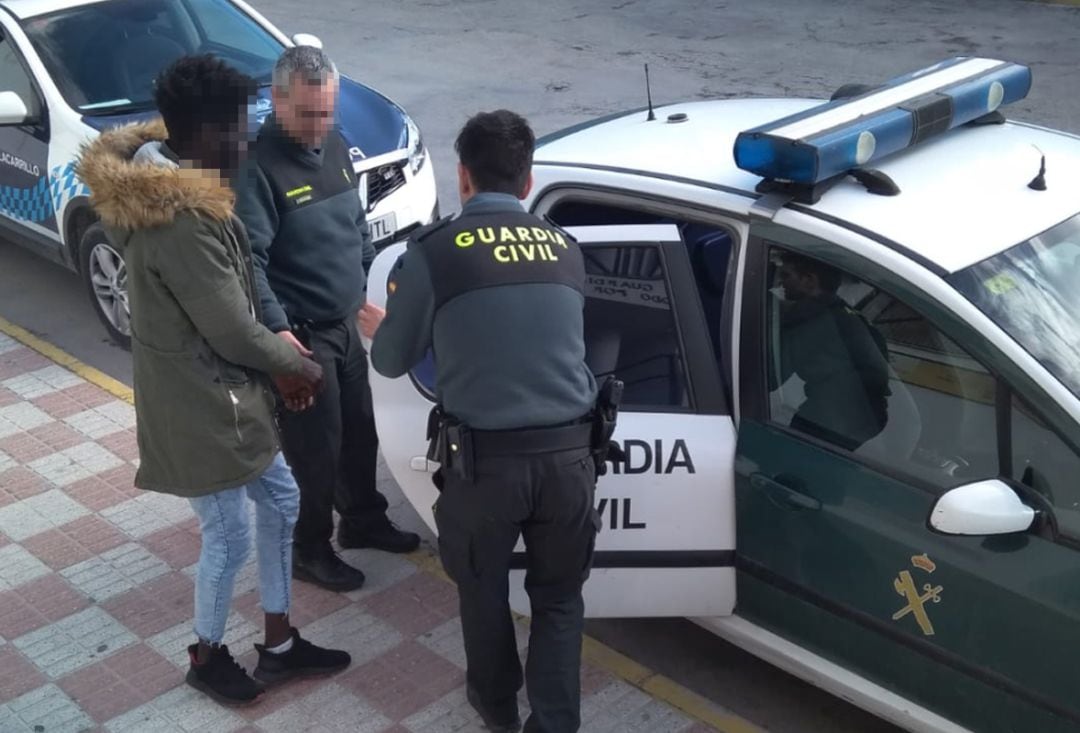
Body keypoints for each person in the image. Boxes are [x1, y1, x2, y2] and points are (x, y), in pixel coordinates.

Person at [75, 54, 351, 707]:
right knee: (226, 533)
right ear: (199, 134)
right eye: (233, 130)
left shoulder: (180, 186)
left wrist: (280, 347)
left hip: (225, 393)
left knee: (281, 502)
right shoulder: (179, 217)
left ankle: (280, 645)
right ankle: (206, 653)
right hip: (204, 404)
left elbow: (242, 284)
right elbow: (229, 327)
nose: (243, 143)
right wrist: (302, 367)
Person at [360, 110, 612, 733]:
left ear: (462, 176)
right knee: (558, 599)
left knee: (483, 590)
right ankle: (554, 724)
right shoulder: (567, 251)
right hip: (569, 462)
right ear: (527, 182)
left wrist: (384, 329)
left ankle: (497, 709)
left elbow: (392, 362)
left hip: (484, 468)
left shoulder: (435, 253)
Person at [234, 45, 419, 593]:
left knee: (361, 431)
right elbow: (251, 263)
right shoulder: (256, 168)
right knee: (316, 452)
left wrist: (374, 282)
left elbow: (357, 228)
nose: (319, 126)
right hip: (304, 338)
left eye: (327, 112)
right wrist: (277, 331)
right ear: (280, 101)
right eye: (308, 115)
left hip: (345, 324)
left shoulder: (335, 145)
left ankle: (362, 520)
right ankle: (308, 548)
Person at [774, 251, 891, 450]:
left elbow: (771, 375)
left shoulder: (809, 320)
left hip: (832, 420)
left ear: (810, 280)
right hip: (867, 415)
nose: (779, 283)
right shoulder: (844, 312)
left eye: (786, 276)